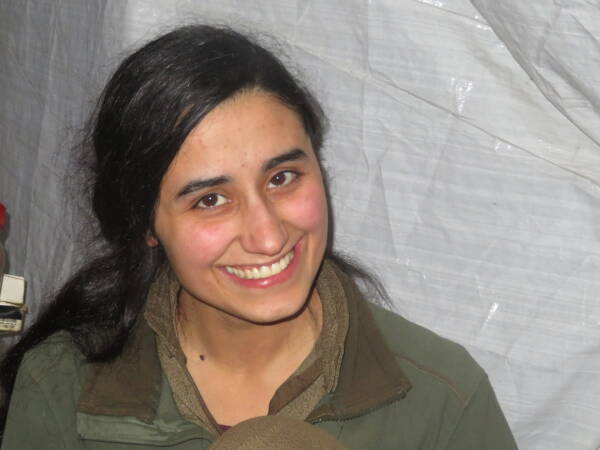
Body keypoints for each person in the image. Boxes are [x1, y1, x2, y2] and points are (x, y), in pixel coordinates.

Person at [0, 25, 517, 449]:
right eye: (210, 200)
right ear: (145, 224)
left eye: (282, 177)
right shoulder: (62, 384)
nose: (268, 237)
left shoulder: (442, 400)